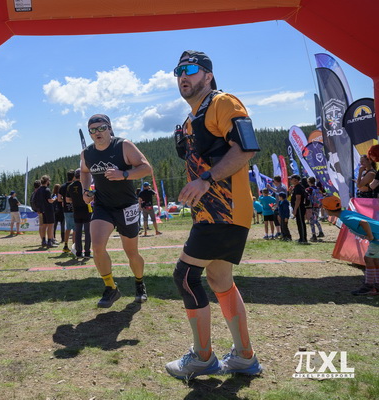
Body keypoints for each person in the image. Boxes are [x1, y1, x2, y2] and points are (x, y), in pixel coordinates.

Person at [166, 50, 262, 380]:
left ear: (208, 75)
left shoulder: (223, 102)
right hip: (213, 212)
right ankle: (244, 357)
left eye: (191, 69)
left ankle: (203, 358)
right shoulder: (193, 117)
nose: (183, 75)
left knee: (185, 276)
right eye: (178, 70)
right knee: (220, 280)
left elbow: (246, 148)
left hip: (225, 209)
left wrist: (206, 179)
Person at [80, 113, 152, 308]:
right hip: (103, 206)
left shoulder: (123, 145)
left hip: (127, 206)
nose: (97, 132)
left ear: (110, 128)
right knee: (97, 246)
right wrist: (85, 191)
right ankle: (111, 288)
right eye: (93, 130)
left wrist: (124, 174)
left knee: (131, 253)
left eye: (102, 128)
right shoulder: (87, 153)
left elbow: (146, 168)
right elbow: (84, 172)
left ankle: (139, 283)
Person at [322, 195, 379, 295]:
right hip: (378, 235)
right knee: (374, 260)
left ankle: (369, 286)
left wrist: (370, 236)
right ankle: (378, 285)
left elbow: (363, 222)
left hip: (377, 238)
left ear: (327, 210)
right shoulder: (345, 213)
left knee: (368, 259)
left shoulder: (345, 218)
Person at [67, 168, 92, 259]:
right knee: (87, 232)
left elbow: (67, 199)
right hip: (86, 210)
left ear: (75, 176)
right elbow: (90, 197)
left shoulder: (70, 186)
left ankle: (78, 252)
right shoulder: (85, 185)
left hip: (76, 210)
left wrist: (75, 200)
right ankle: (87, 252)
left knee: (78, 232)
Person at [37, 175, 56, 247]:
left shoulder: (38, 190)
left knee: (44, 225)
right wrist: (54, 199)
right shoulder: (47, 190)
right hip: (48, 209)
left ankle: (43, 241)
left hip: (42, 210)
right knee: (50, 225)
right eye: (49, 180)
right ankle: (50, 241)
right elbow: (50, 200)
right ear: (47, 181)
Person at [59, 170, 75, 253]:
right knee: (75, 229)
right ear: (73, 177)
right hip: (74, 209)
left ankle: (65, 245)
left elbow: (59, 198)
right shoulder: (75, 186)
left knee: (68, 228)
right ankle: (74, 247)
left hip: (66, 209)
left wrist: (64, 201)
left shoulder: (62, 186)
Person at [289, 174, 308, 244]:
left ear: (296, 180)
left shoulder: (298, 188)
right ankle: (301, 237)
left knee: (301, 223)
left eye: (291, 179)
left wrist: (295, 209)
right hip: (298, 207)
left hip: (299, 208)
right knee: (299, 223)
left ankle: (303, 238)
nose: (290, 181)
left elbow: (298, 199)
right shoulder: (296, 187)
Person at [305, 177, 324, 242]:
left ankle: (314, 235)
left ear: (309, 182)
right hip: (318, 206)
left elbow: (307, 198)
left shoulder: (308, 189)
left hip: (311, 206)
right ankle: (320, 231)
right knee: (315, 219)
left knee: (311, 221)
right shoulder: (318, 189)